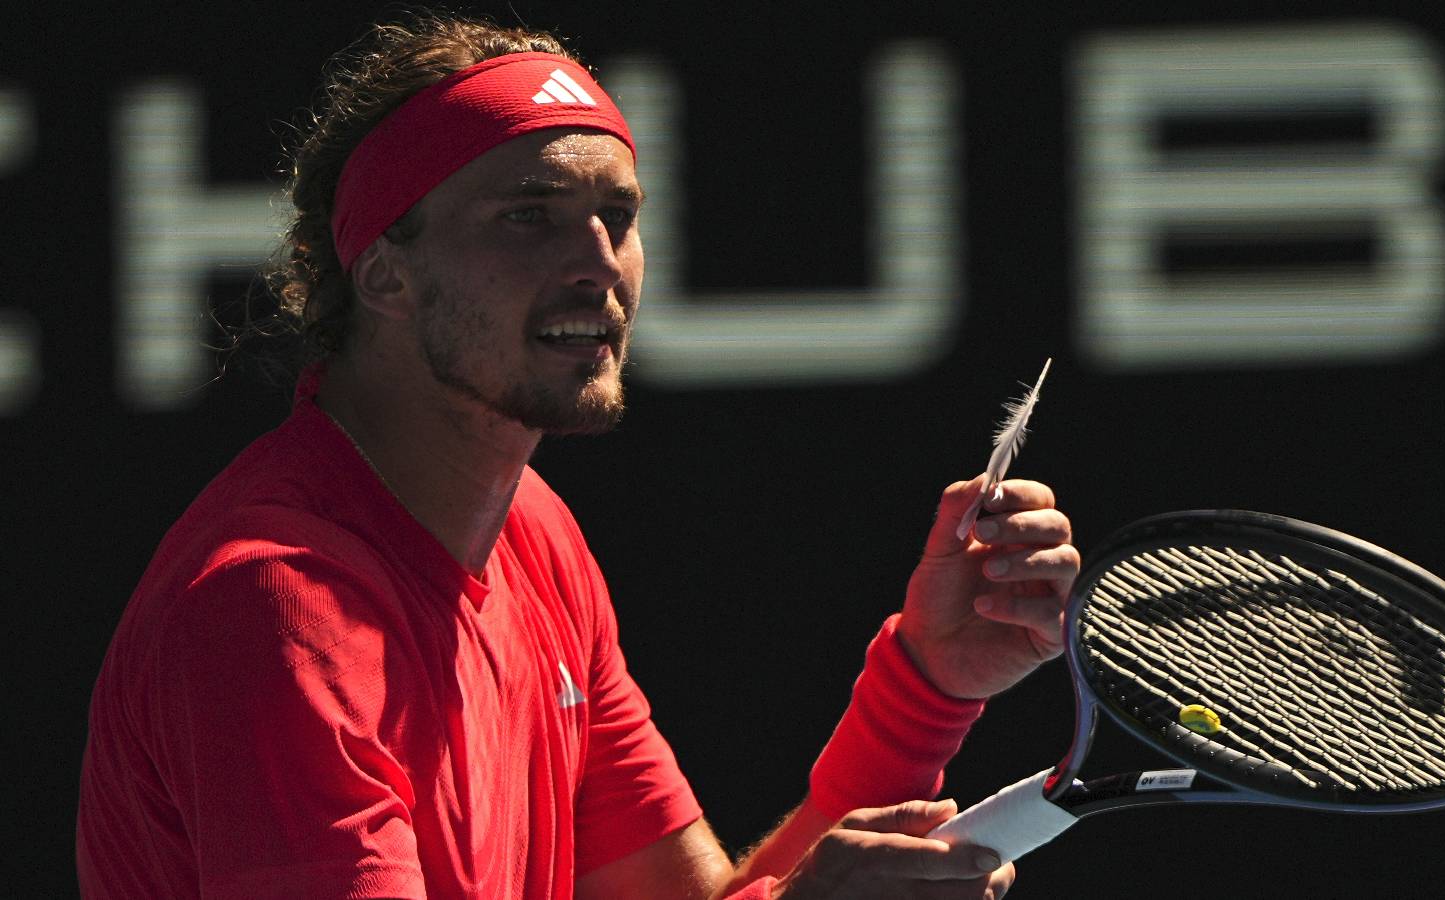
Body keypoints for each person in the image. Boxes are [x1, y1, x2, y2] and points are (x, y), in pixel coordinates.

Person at [76, 15, 1080, 899]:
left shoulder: (534, 537)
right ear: (384, 273)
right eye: (530, 216)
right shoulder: (276, 611)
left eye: (620, 217)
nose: (599, 260)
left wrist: (927, 684)